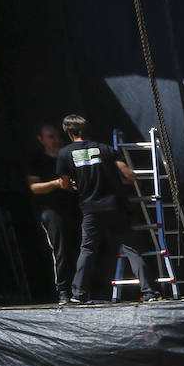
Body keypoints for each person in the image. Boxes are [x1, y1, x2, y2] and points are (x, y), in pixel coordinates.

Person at [55, 114, 156, 303]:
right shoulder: (106, 149)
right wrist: (119, 180)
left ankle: (79, 295)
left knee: (87, 251)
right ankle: (149, 291)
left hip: (91, 208)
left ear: (69, 132)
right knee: (131, 249)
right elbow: (130, 175)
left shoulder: (65, 153)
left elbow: (63, 184)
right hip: (115, 206)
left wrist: (78, 186)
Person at [25, 123, 80, 304]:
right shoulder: (37, 161)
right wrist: (57, 183)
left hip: (75, 208)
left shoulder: (68, 157)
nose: (56, 140)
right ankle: (64, 290)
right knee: (61, 249)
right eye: (51, 137)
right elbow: (34, 187)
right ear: (41, 140)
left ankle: (84, 288)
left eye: (57, 136)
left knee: (83, 247)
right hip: (52, 211)